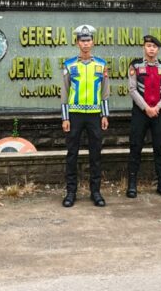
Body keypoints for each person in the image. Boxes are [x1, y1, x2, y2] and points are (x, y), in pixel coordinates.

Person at [60, 24, 110, 208]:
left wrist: (105, 115)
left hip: (95, 115)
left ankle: (95, 192)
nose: (86, 43)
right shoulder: (69, 64)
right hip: (74, 115)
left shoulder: (101, 64)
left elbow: (105, 92)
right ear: (77, 42)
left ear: (93, 42)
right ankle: (71, 192)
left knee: (95, 154)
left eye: (88, 40)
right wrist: (65, 118)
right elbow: (64, 93)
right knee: (72, 154)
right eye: (82, 40)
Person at [126, 34, 161, 200]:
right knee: (135, 147)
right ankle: (132, 184)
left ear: (158, 49)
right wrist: (146, 108)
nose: (151, 49)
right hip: (140, 113)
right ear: (144, 48)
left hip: (159, 113)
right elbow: (132, 89)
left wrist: (158, 107)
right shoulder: (135, 65)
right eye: (148, 46)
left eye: (154, 46)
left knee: (159, 148)